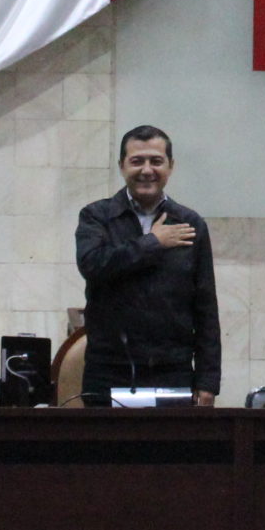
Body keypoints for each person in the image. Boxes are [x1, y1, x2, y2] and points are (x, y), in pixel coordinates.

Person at [75, 125, 220, 406]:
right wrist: (153, 242)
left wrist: (207, 381)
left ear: (170, 166)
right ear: (122, 166)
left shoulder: (190, 224)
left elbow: (205, 307)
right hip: (107, 370)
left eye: (156, 161)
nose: (146, 170)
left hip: (172, 371)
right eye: (137, 161)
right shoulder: (96, 216)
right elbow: (92, 265)